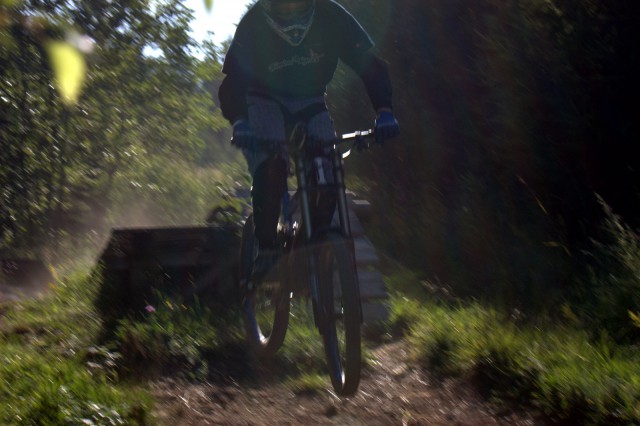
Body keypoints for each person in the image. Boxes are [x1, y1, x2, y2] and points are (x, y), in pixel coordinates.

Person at [218, 0, 399, 277]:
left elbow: (369, 64)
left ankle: (312, 248)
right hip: (263, 99)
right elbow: (234, 80)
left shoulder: (330, 15)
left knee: (327, 168)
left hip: (309, 99)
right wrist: (240, 121)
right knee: (272, 162)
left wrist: (384, 110)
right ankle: (267, 247)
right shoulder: (255, 21)